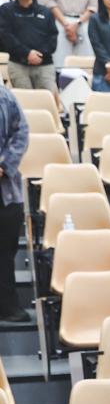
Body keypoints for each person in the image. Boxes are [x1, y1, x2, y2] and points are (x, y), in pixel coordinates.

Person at [1, 0, 59, 97]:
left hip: (44, 64)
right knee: (24, 101)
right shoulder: (6, 10)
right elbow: (6, 35)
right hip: (18, 63)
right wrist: (27, 53)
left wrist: (38, 54)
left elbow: (52, 37)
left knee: (45, 100)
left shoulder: (46, 12)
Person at [0, 85, 28, 324]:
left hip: (5, 190)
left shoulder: (5, 97)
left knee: (5, 252)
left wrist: (3, 165)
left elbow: (21, 133)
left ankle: (7, 305)